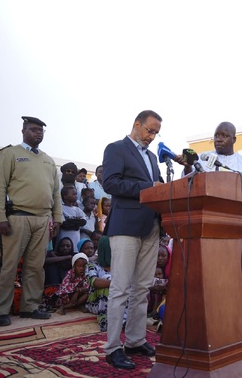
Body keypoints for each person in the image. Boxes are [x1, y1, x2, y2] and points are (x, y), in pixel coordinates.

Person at [102, 110, 163, 370]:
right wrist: (147, 188)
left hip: (151, 226)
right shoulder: (116, 148)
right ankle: (113, 347)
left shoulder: (152, 157)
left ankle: (135, 340)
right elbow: (111, 183)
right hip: (126, 225)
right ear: (137, 125)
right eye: (149, 130)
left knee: (142, 288)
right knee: (120, 289)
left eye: (156, 133)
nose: (152, 136)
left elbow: (157, 185)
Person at [0, 116, 63, 327]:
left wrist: (57, 217)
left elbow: (55, 194)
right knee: (8, 266)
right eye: (33, 130)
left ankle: (29, 307)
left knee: (35, 267)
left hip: (42, 219)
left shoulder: (48, 160)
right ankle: (0, 310)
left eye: (41, 131)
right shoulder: (9, 154)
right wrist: (0, 217)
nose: (37, 133)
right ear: (23, 131)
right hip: (17, 218)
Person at [178, 121, 242, 179]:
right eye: (216, 135)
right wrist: (187, 167)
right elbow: (186, 184)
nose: (218, 139)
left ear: (234, 139)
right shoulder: (200, 159)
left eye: (224, 136)